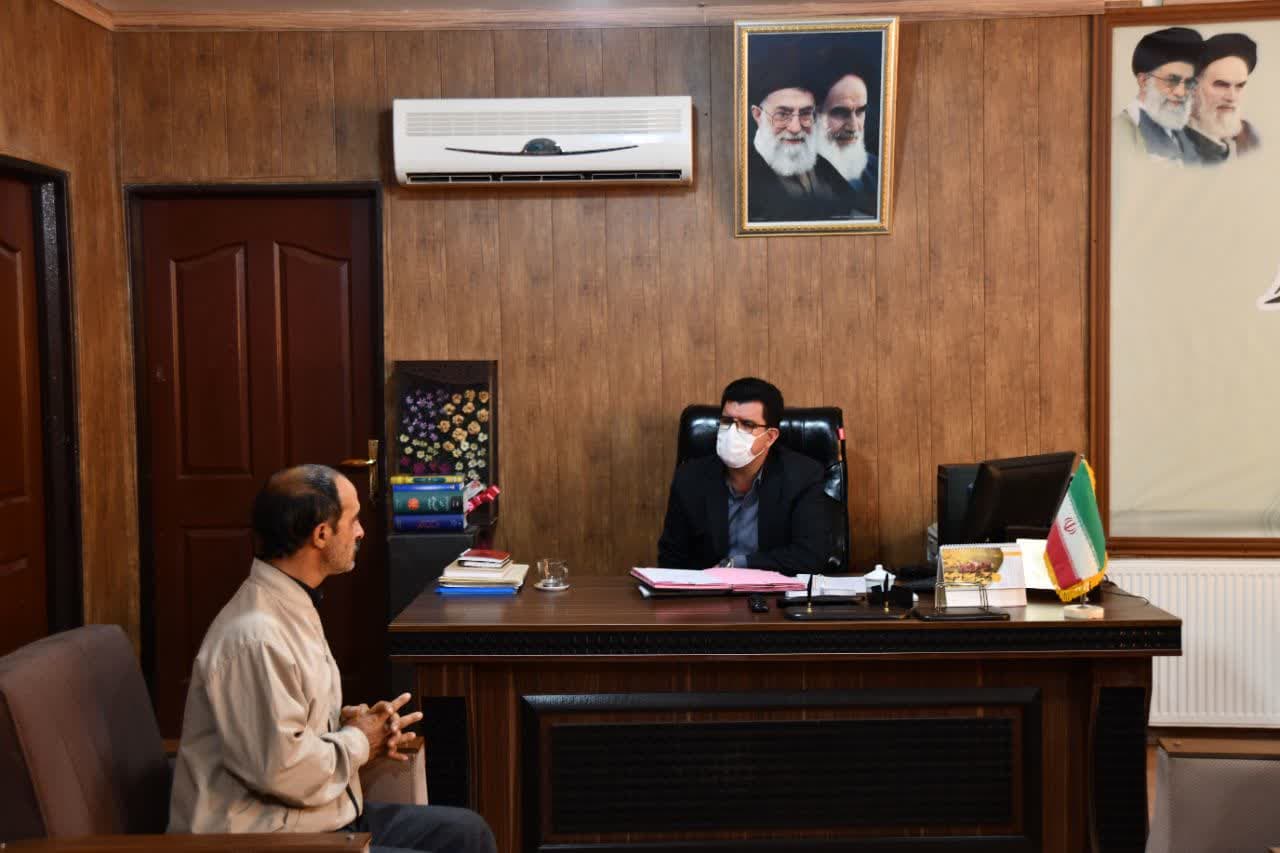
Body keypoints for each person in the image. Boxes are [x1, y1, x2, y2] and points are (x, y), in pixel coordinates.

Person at [169, 464, 496, 853]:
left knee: (468, 832)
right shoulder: (256, 636)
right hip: (268, 837)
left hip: (318, 817)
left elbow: (285, 726)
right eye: (353, 520)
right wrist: (359, 740)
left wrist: (353, 724)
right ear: (321, 534)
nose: (361, 532)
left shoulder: (290, 601)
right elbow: (282, 770)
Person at [657, 378, 835, 574]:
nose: (733, 432)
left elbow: (810, 555)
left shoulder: (802, 476)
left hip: (774, 590)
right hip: (707, 591)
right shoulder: (690, 478)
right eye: (727, 421)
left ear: (770, 437)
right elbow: (671, 560)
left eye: (747, 424)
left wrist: (737, 565)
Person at [747, 57, 858, 223]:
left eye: (806, 114)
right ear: (757, 115)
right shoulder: (743, 176)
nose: (796, 128)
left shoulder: (821, 166)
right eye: (782, 114)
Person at [1114, 26, 1203, 164]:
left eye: (1189, 82)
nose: (1181, 92)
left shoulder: (1186, 134)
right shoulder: (1119, 132)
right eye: (1172, 80)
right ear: (1144, 81)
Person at [1186, 32, 1261, 164]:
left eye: (1239, 86)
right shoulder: (1172, 142)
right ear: (1193, 87)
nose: (1232, 97)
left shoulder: (1249, 136)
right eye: (1221, 85)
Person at [816, 72, 878, 218]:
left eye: (860, 112)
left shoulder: (876, 169)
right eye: (841, 113)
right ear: (815, 114)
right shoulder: (795, 177)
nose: (854, 127)